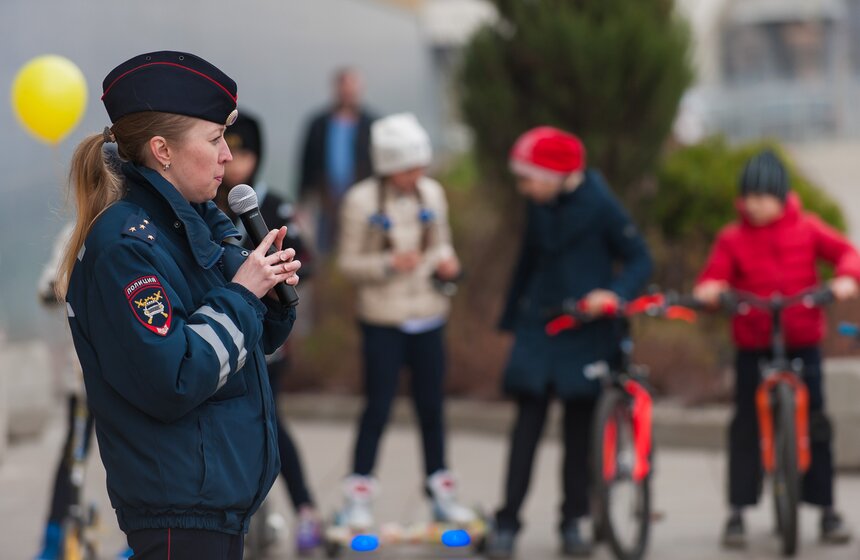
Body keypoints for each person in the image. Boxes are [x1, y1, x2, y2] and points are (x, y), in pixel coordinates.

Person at [56, 51, 302, 560]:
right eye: (214, 139)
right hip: (180, 509)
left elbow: (246, 343)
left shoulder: (194, 225)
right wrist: (242, 294)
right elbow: (175, 375)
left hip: (211, 503)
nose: (227, 156)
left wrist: (270, 293)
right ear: (162, 150)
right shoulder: (126, 246)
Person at [485, 126, 653, 558]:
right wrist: (510, 319)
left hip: (586, 330)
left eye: (529, 178)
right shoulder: (539, 205)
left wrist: (614, 293)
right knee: (526, 427)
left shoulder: (600, 204)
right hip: (539, 325)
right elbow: (527, 260)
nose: (523, 188)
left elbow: (639, 258)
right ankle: (507, 521)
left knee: (579, 433)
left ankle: (572, 520)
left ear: (556, 175)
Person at [693, 149, 859, 548]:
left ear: (781, 196)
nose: (753, 204)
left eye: (761, 196)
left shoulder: (808, 228)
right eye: (747, 196)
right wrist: (711, 290)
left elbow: (846, 253)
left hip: (802, 339)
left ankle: (826, 509)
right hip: (753, 342)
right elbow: (713, 277)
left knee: (815, 422)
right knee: (745, 425)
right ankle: (737, 511)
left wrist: (845, 279)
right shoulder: (732, 238)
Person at [335, 113, 474, 528]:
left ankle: (441, 493)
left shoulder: (432, 193)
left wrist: (448, 264)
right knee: (377, 408)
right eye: (408, 168)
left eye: (420, 166)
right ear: (388, 165)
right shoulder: (360, 201)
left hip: (429, 316)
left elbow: (442, 244)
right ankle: (359, 496)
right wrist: (388, 264)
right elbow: (347, 263)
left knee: (432, 408)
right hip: (383, 320)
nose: (417, 175)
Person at [215, 111, 322, 554]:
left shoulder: (272, 205)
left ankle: (306, 510)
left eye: (246, 153)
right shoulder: (207, 205)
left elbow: (306, 260)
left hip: (269, 340)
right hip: (222, 336)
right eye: (230, 151)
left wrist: (277, 274)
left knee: (272, 422)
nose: (236, 163)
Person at [298, 68, 376, 254]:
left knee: (360, 245)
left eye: (352, 87)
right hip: (326, 200)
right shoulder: (319, 124)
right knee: (325, 248)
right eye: (344, 87)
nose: (348, 92)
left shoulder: (371, 124)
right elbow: (306, 163)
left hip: (362, 198)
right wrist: (303, 201)